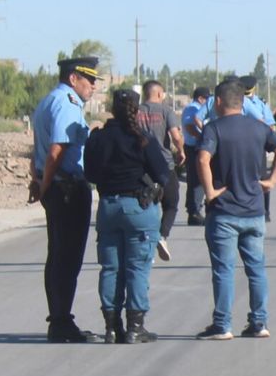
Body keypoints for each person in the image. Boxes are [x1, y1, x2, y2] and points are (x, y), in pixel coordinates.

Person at [195, 78, 276, 340]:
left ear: (217, 102)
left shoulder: (213, 129)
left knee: (224, 270)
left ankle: (222, 325)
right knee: (256, 268)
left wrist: (210, 192)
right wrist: (271, 181)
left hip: (224, 212)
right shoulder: (258, 128)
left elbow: (203, 158)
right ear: (243, 101)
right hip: (254, 211)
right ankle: (259, 323)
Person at [84, 90, 170, 344]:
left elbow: (90, 175)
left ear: (112, 108)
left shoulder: (98, 138)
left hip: (109, 207)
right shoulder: (143, 138)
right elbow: (163, 175)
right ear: (138, 110)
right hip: (139, 208)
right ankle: (135, 326)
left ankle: (112, 328)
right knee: (137, 268)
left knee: (110, 268)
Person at [29, 56, 102, 343]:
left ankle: (59, 317)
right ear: (74, 78)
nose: (94, 86)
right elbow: (56, 151)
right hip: (67, 189)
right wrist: (45, 186)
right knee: (67, 259)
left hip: (58, 188)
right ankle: (60, 321)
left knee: (57, 256)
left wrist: (39, 182)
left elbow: (40, 149)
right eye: (90, 79)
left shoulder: (50, 100)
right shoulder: (67, 104)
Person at [135, 80, 186, 260]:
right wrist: (180, 151)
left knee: (145, 203)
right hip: (164, 164)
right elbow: (175, 135)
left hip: (140, 166)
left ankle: (144, 241)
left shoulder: (135, 111)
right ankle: (162, 235)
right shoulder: (166, 111)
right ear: (159, 94)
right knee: (171, 203)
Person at [239, 75, 276, 222]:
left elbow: (270, 126)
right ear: (254, 88)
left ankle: (265, 211)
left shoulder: (256, 104)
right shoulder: (260, 104)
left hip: (253, 147)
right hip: (251, 146)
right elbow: (271, 127)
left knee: (261, 178)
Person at [182, 87, 211, 226]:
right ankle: (194, 212)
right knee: (197, 181)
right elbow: (189, 127)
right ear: (200, 98)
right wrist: (203, 137)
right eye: (206, 98)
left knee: (196, 181)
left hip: (196, 146)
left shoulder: (197, 108)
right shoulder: (193, 108)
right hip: (194, 147)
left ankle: (194, 210)